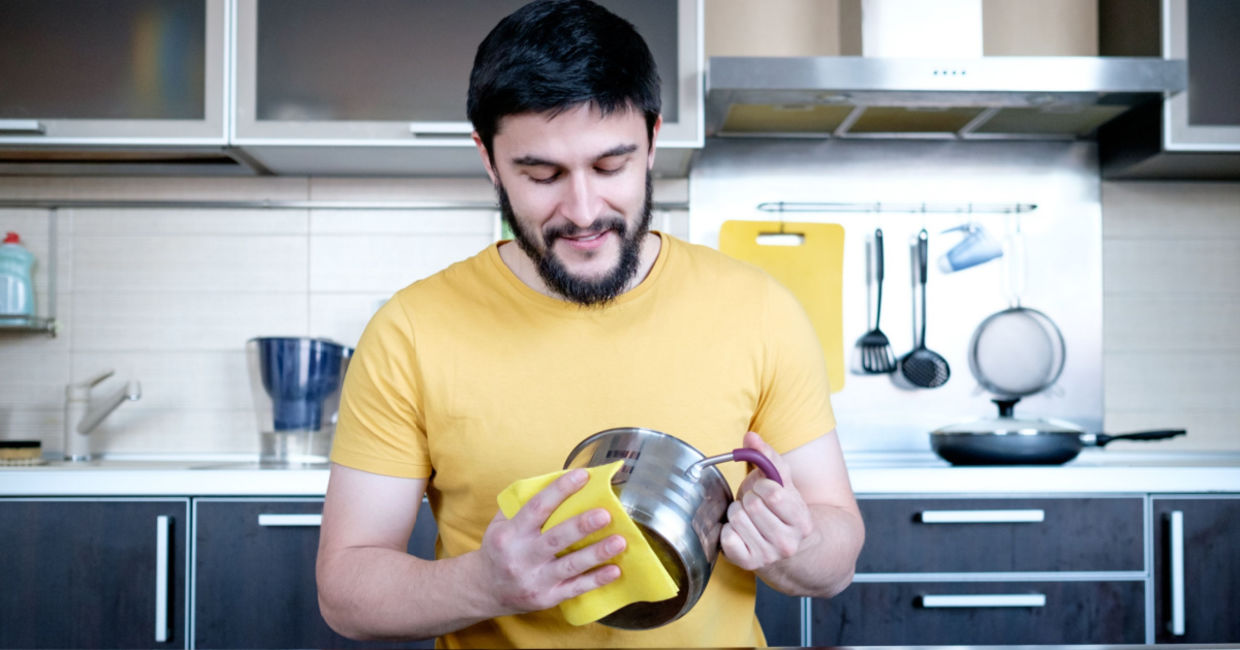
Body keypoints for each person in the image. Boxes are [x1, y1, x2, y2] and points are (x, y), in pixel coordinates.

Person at [315, 1, 865, 647]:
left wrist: (797, 545)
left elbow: (837, 558)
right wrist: (484, 584)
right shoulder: (410, 332)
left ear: (652, 140)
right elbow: (345, 592)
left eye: (610, 167)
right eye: (541, 174)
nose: (582, 211)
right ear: (489, 159)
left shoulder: (759, 309)